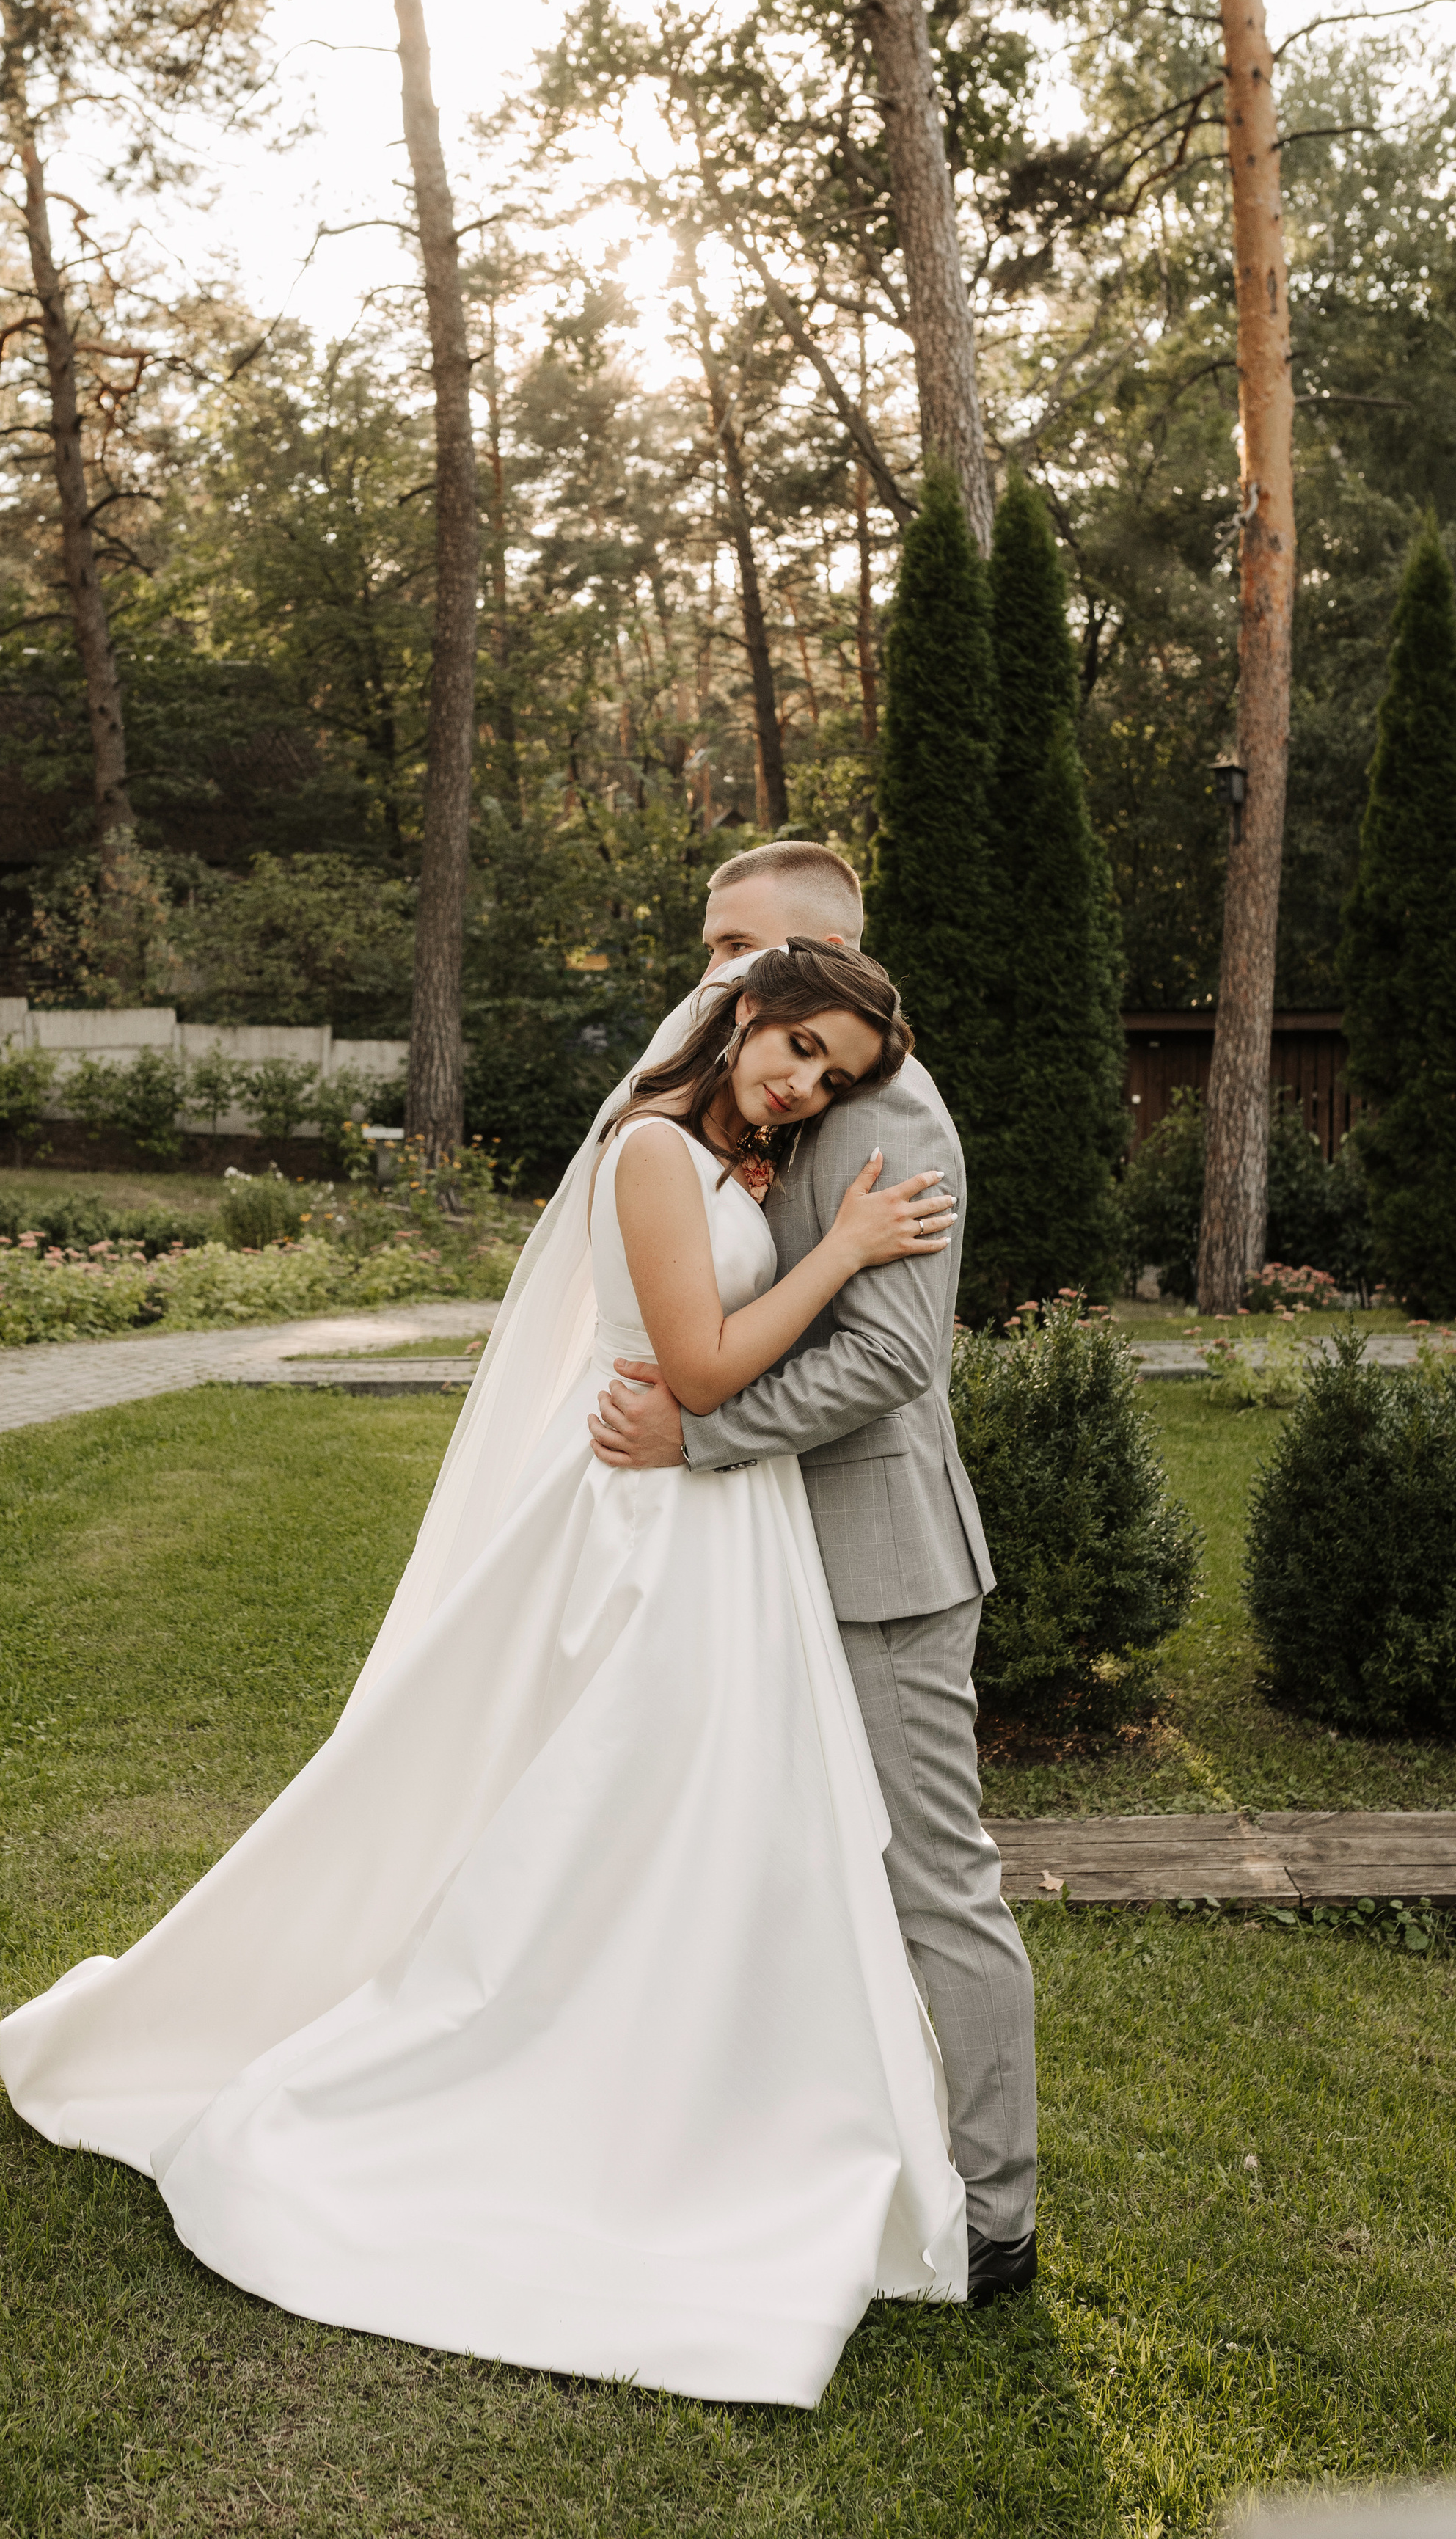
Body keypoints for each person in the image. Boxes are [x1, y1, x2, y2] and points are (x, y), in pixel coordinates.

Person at [0, 934, 974, 2406]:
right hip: (654, 1523)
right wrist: (839, 1251)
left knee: (733, 1824)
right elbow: (702, 1372)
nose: (798, 1089)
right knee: (617, 1803)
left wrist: (793, 1219)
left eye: (827, 1076)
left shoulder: (736, 1168)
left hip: (732, 1530)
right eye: (794, 1052)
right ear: (745, 1014)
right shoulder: (650, 1150)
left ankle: (708, 2081)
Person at [590, 842, 1039, 2312]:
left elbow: (898, 1358)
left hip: (882, 1563)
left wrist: (697, 1435)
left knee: (934, 1884)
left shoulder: (885, 1106)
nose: (709, 965)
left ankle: (992, 2212)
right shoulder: (756, 1108)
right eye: (710, 945)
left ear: (815, 951)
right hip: (777, 1560)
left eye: (737, 941)